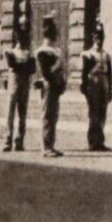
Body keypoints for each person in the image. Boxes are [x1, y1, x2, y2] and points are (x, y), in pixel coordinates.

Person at [80, 20, 112, 151]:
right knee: (93, 112)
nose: (99, 39)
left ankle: (100, 140)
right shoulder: (88, 54)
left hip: (103, 82)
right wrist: (85, 88)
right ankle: (92, 141)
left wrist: (110, 88)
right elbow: (84, 73)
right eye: (97, 36)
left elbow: (109, 73)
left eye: (101, 36)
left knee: (103, 112)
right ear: (93, 37)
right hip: (93, 83)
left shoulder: (106, 55)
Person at [35, 16, 65, 159]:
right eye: (53, 33)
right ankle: (46, 147)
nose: (55, 36)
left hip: (55, 86)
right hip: (49, 85)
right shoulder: (43, 51)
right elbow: (46, 73)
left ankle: (51, 144)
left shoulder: (54, 51)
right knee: (47, 116)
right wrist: (57, 66)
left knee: (54, 116)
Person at [2, 27, 36, 152]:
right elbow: (13, 64)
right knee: (9, 113)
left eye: (24, 37)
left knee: (22, 114)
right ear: (16, 38)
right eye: (20, 37)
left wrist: (19, 65)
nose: (22, 40)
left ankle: (19, 141)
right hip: (13, 86)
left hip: (24, 86)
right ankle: (7, 140)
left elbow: (33, 69)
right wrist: (23, 65)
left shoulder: (28, 53)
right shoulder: (10, 52)